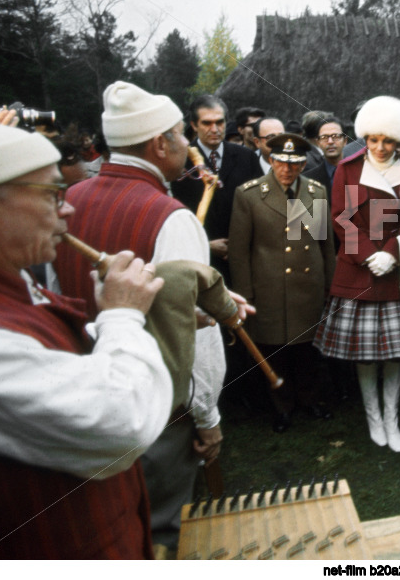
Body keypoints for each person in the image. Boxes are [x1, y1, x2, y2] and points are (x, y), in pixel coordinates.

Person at [0, 110, 172, 558]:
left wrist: (150, 313)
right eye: (51, 194)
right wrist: (123, 316)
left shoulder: (7, 281)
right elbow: (124, 418)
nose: (68, 207)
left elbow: (51, 354)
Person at [51, 81, 227, 551]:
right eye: (182, 135)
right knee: (160, 531)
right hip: (155, 410)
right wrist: (207, 417)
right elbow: (192, 337)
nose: (190, 145)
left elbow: (53, 300)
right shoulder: (172, 218)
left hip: (82, 398)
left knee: (108, 525)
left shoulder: (67, 202)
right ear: (160, 143)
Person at [314, 97, 400, 453]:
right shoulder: (348, 167)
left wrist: (390, 254)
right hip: (358, 271)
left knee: (393, 352)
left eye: (387, 141)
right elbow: (340, 217)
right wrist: (368, 255)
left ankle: (392, 418)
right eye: (373, 139)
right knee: (364, 353)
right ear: (364, 136)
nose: (379, 147)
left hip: (394, 272)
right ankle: (373, 417)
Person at [229, 133, 337, 432]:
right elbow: (239, 251)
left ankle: (309, 399)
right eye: (281, 162)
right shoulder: (249, 194)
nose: (287, 170)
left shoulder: (315, 192)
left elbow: (323, 242)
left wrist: (330, 283)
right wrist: (245, 295)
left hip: (308, 285)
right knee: (274, 349)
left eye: (295, 164)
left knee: (307, 349)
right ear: (271, 160)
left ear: (303, 164)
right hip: (269, 286)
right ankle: (282, 406)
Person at [171, 94, 263, 283]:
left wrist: (242, 245)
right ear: (194, 125)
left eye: (220, 122)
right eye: (207, 123)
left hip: (243, 264)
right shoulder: (178, 162)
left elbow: (261, 206)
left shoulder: (247, 158)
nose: (215, 129)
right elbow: (172, 216)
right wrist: (205, 244)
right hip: (198, 263)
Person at [304, 114, 347, 189]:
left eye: (336, 136)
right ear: (318, 143)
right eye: (324, 137)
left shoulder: (359, 174)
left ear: (345, 141)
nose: (330, 141)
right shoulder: (308, 179)